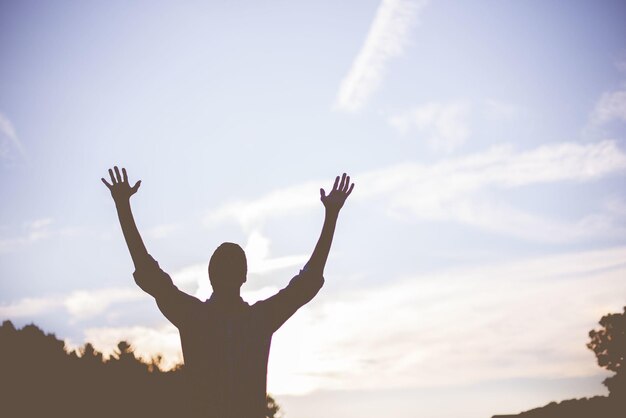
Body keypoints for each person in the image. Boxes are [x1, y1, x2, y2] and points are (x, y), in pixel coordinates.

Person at [102, 166, 354, 417]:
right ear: (244, 277)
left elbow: (149, 274)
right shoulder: (257, 320)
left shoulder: (195, 317)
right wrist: (331, 216)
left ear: (211, 276)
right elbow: (306, 284)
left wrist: (122, 206)